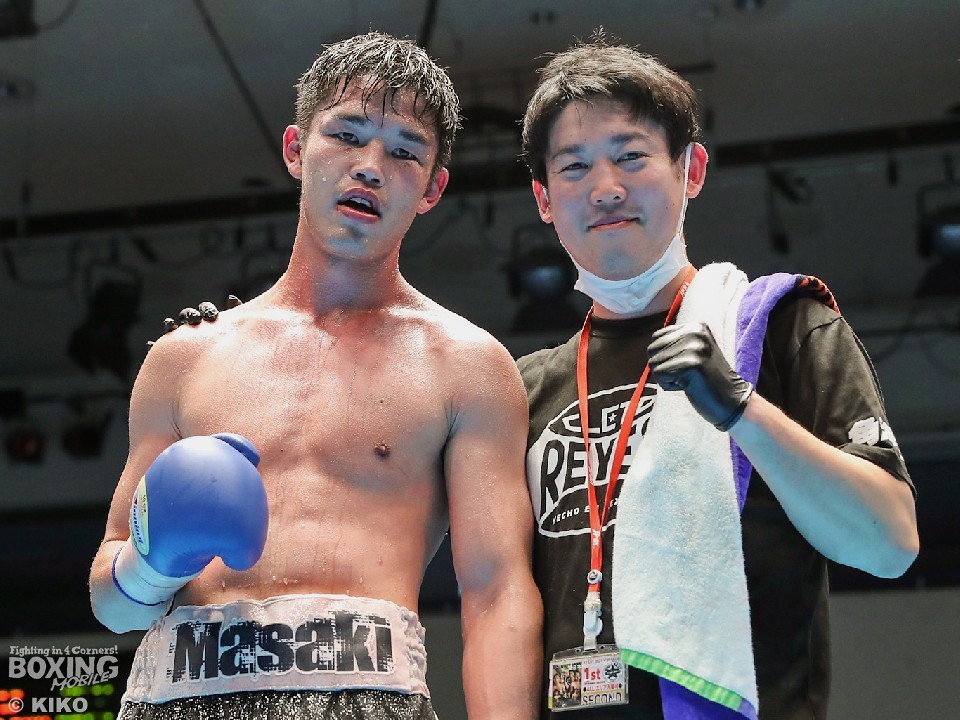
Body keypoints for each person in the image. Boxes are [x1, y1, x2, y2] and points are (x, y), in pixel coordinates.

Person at [89, 33, 542, 720]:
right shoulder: (185, 357)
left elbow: (498, 591)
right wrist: (152, 565)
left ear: (432, 188)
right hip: (174, 696)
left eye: (404, 152)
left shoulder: (468, 367)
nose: (370, 168)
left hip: (365, 697)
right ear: (297, 149)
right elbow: (112, 605)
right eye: (347, 135)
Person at [516, 38, 919, 719]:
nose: (606, 187)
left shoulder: (778, 328)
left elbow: (889, 543)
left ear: (692, 169)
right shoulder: (522, 389)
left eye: (631, 156)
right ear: (544, 199)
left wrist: (740, 410)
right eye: (574, 166)